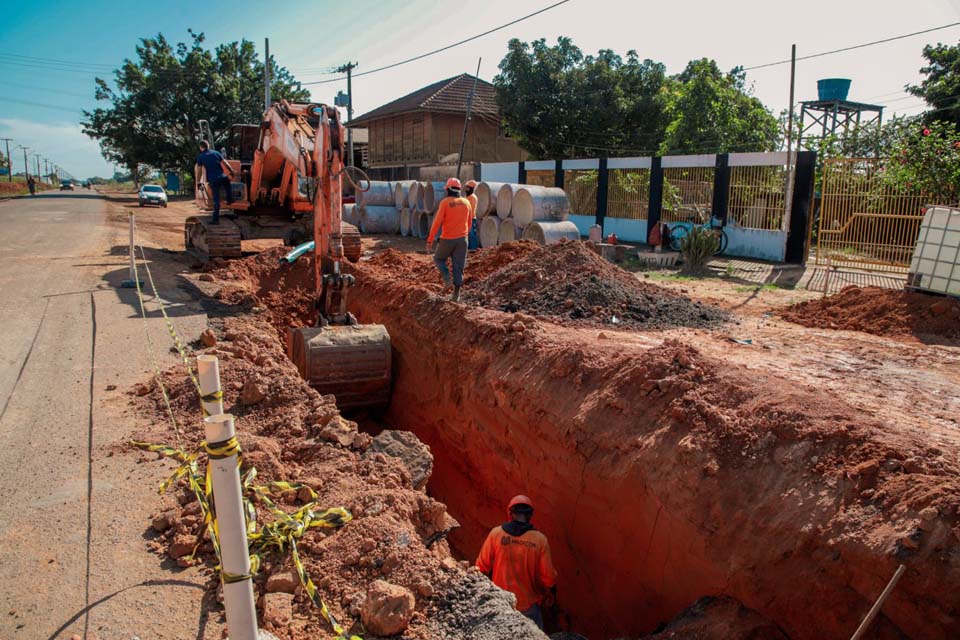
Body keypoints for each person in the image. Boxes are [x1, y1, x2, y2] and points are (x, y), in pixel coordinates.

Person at [475, 495, 558, 630]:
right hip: (528, 607)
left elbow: (481, 567)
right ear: (530, 515)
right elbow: (549, 577)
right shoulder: (540, 540)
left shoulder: (496, 534)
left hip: (500, 603)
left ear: (510, 513)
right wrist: (551, 592)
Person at [426, 177, 474, 302]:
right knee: (459, 267)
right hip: (463, 239)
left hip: (447, 239)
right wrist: (464, 235)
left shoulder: (445, 202)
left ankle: (448, 280)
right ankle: (456, 295)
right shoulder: (467, 202)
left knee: (438, 258)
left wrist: (430, 240)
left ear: (448, 189)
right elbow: (469, 223)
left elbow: (437, 223)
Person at [194, 140, 235, 224]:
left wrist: (198, 182)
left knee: (216, 199)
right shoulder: (216, 153)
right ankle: (230, 200)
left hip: (213, 180)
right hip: (222, 177)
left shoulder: (201, 156)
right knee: (227, 184)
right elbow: (225, 163)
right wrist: (231, 171)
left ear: (201, 147)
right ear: (208, 146)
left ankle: (215, 220)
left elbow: (199, 171)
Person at [464, 180, 480, 250]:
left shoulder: (472, 197)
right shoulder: (468, 197)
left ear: (472, 188)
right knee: (467, 235)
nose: (466, 189)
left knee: (471, 235)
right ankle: (469, 249)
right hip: (467, 218)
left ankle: (473, 249)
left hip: (470, 218)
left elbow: (470, 209)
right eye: (466, 188)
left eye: (468, 188)